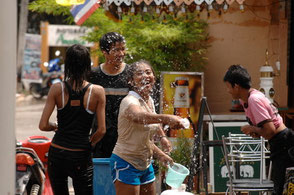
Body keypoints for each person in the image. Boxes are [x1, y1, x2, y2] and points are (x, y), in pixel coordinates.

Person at [88, 32, 171, 158]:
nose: (121, 54)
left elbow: (146, 107)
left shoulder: (131, 74)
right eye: (116, 50)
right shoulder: (93, 75)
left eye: (123, 49)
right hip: (100, 140)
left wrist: (162, 136)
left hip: (128, 141)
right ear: (104, 52)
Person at [110, 60, 185, 195]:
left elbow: (145, 139)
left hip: (145, 163)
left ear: (153, 78)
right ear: (131, 81)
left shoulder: (149, 101)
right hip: (126, 162)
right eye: (139, 73)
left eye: (148, 72)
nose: (145, 75)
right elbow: (139, 117)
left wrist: (161, 153)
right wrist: (167, 118)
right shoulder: (129, 101)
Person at [39, 44, 106, 195]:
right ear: (87, 64)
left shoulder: (57, 89)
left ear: (67, 64)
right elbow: (101, 130)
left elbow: (43, 125)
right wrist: (89, 143)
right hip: (80, 154)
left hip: (57, 153)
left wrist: (56, 126)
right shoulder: (97, 92)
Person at [223, 64, 294, 194]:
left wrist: (252, 128)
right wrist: (256, 131)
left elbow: (271, 130)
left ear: (236, 86)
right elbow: (265, 129)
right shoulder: (247, 99)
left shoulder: (254, 99)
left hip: (283, 143)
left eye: (228, 87)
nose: (228, 91)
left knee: (282, 188)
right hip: (279, 142)